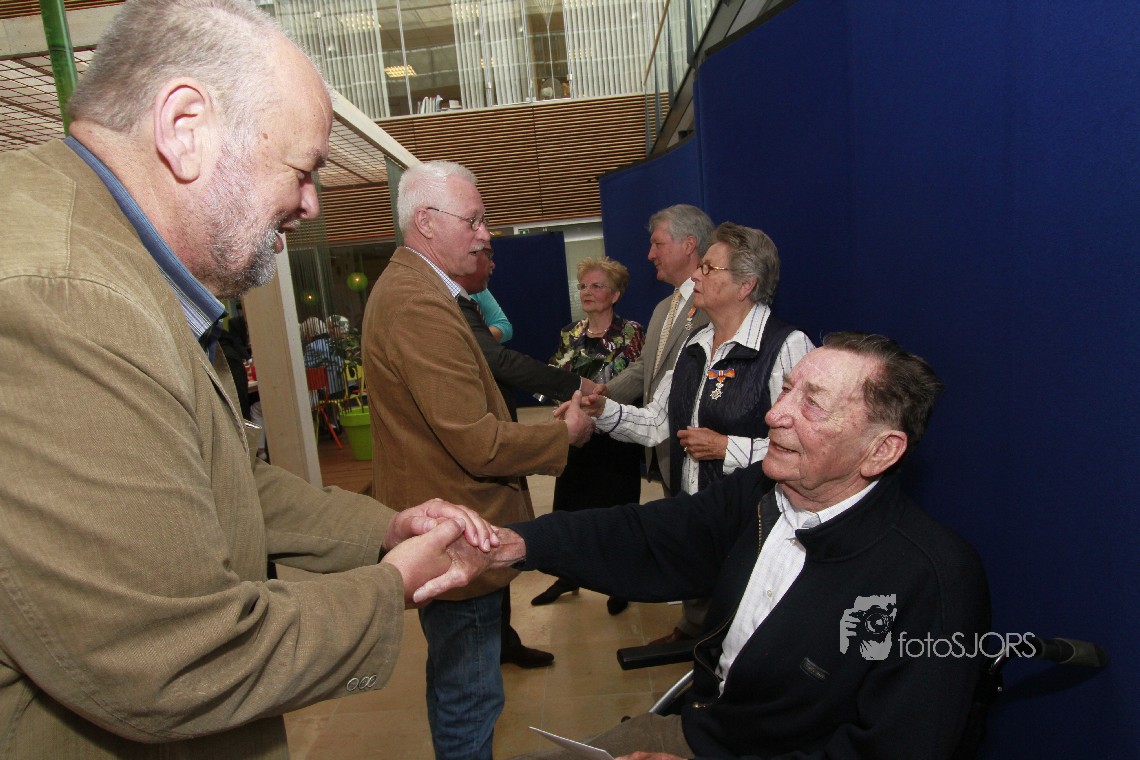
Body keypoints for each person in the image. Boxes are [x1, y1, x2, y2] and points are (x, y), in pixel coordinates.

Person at [0, 1, 503, 757]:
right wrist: (390, 585)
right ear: (185, 128)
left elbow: (214, 475)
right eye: (303, 170)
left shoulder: (121, 266)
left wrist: (381, 531)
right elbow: (172, 659)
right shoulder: (67, 298)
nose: (310, 204)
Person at [447, 333, 992, 760]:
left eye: (813, 404)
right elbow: (650, 535)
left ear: (881, 451)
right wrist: (513, 544)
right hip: (704, 732)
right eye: (787, 389)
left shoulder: (934, 580)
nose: (775, 414)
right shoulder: (761, 492)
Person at [362, 159, 595, 760]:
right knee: (469, 696)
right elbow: (477, 442)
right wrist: (563, 435)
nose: (485, 234)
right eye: (474, 220)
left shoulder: (423, 291)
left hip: (454, 518)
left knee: (463, 683)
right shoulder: (417, 303)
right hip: (457, 529)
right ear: (426, 222)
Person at [589, 221, 814, 644]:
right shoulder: (694, 346)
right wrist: (602, 410)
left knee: (746, 631)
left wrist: (729, 448)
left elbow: (811, 447)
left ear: (746, 285)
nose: (695, 275)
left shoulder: (787, 346)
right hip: (699, 516)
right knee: (708, 618)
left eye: (708, 268)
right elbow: (656, 422)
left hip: (755, 522)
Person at [453, 243, 588, 669]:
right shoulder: (447, 303)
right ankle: (488, 649)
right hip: (477, 450)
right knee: (479, 547)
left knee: (493, 540)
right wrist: (576, 386)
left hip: (494, 442)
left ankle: (502, 639)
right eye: (485, 254)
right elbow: (499, 359)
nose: (493, 264)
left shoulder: (467, 300)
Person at [531, 257, 645, 614]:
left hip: (615, 437)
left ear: (615, 294)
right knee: (569, 508)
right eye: (583, 286)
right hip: (577, 435)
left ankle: (621, 582)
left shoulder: (632, 333)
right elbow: (553, 376)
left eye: (597, 286)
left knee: (617, 512)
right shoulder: (570, 333)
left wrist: (596, 404)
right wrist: (565, 408)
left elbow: (636, 383)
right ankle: (568, 576)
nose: (587, 292)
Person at [603, 204, 714, 495]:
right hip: (663, 452)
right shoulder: (663, 308)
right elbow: (646, 369)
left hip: (698, 455)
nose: (650, 255)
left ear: (689, 245)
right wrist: (603, 394)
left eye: (658, 244)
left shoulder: (713, 306)